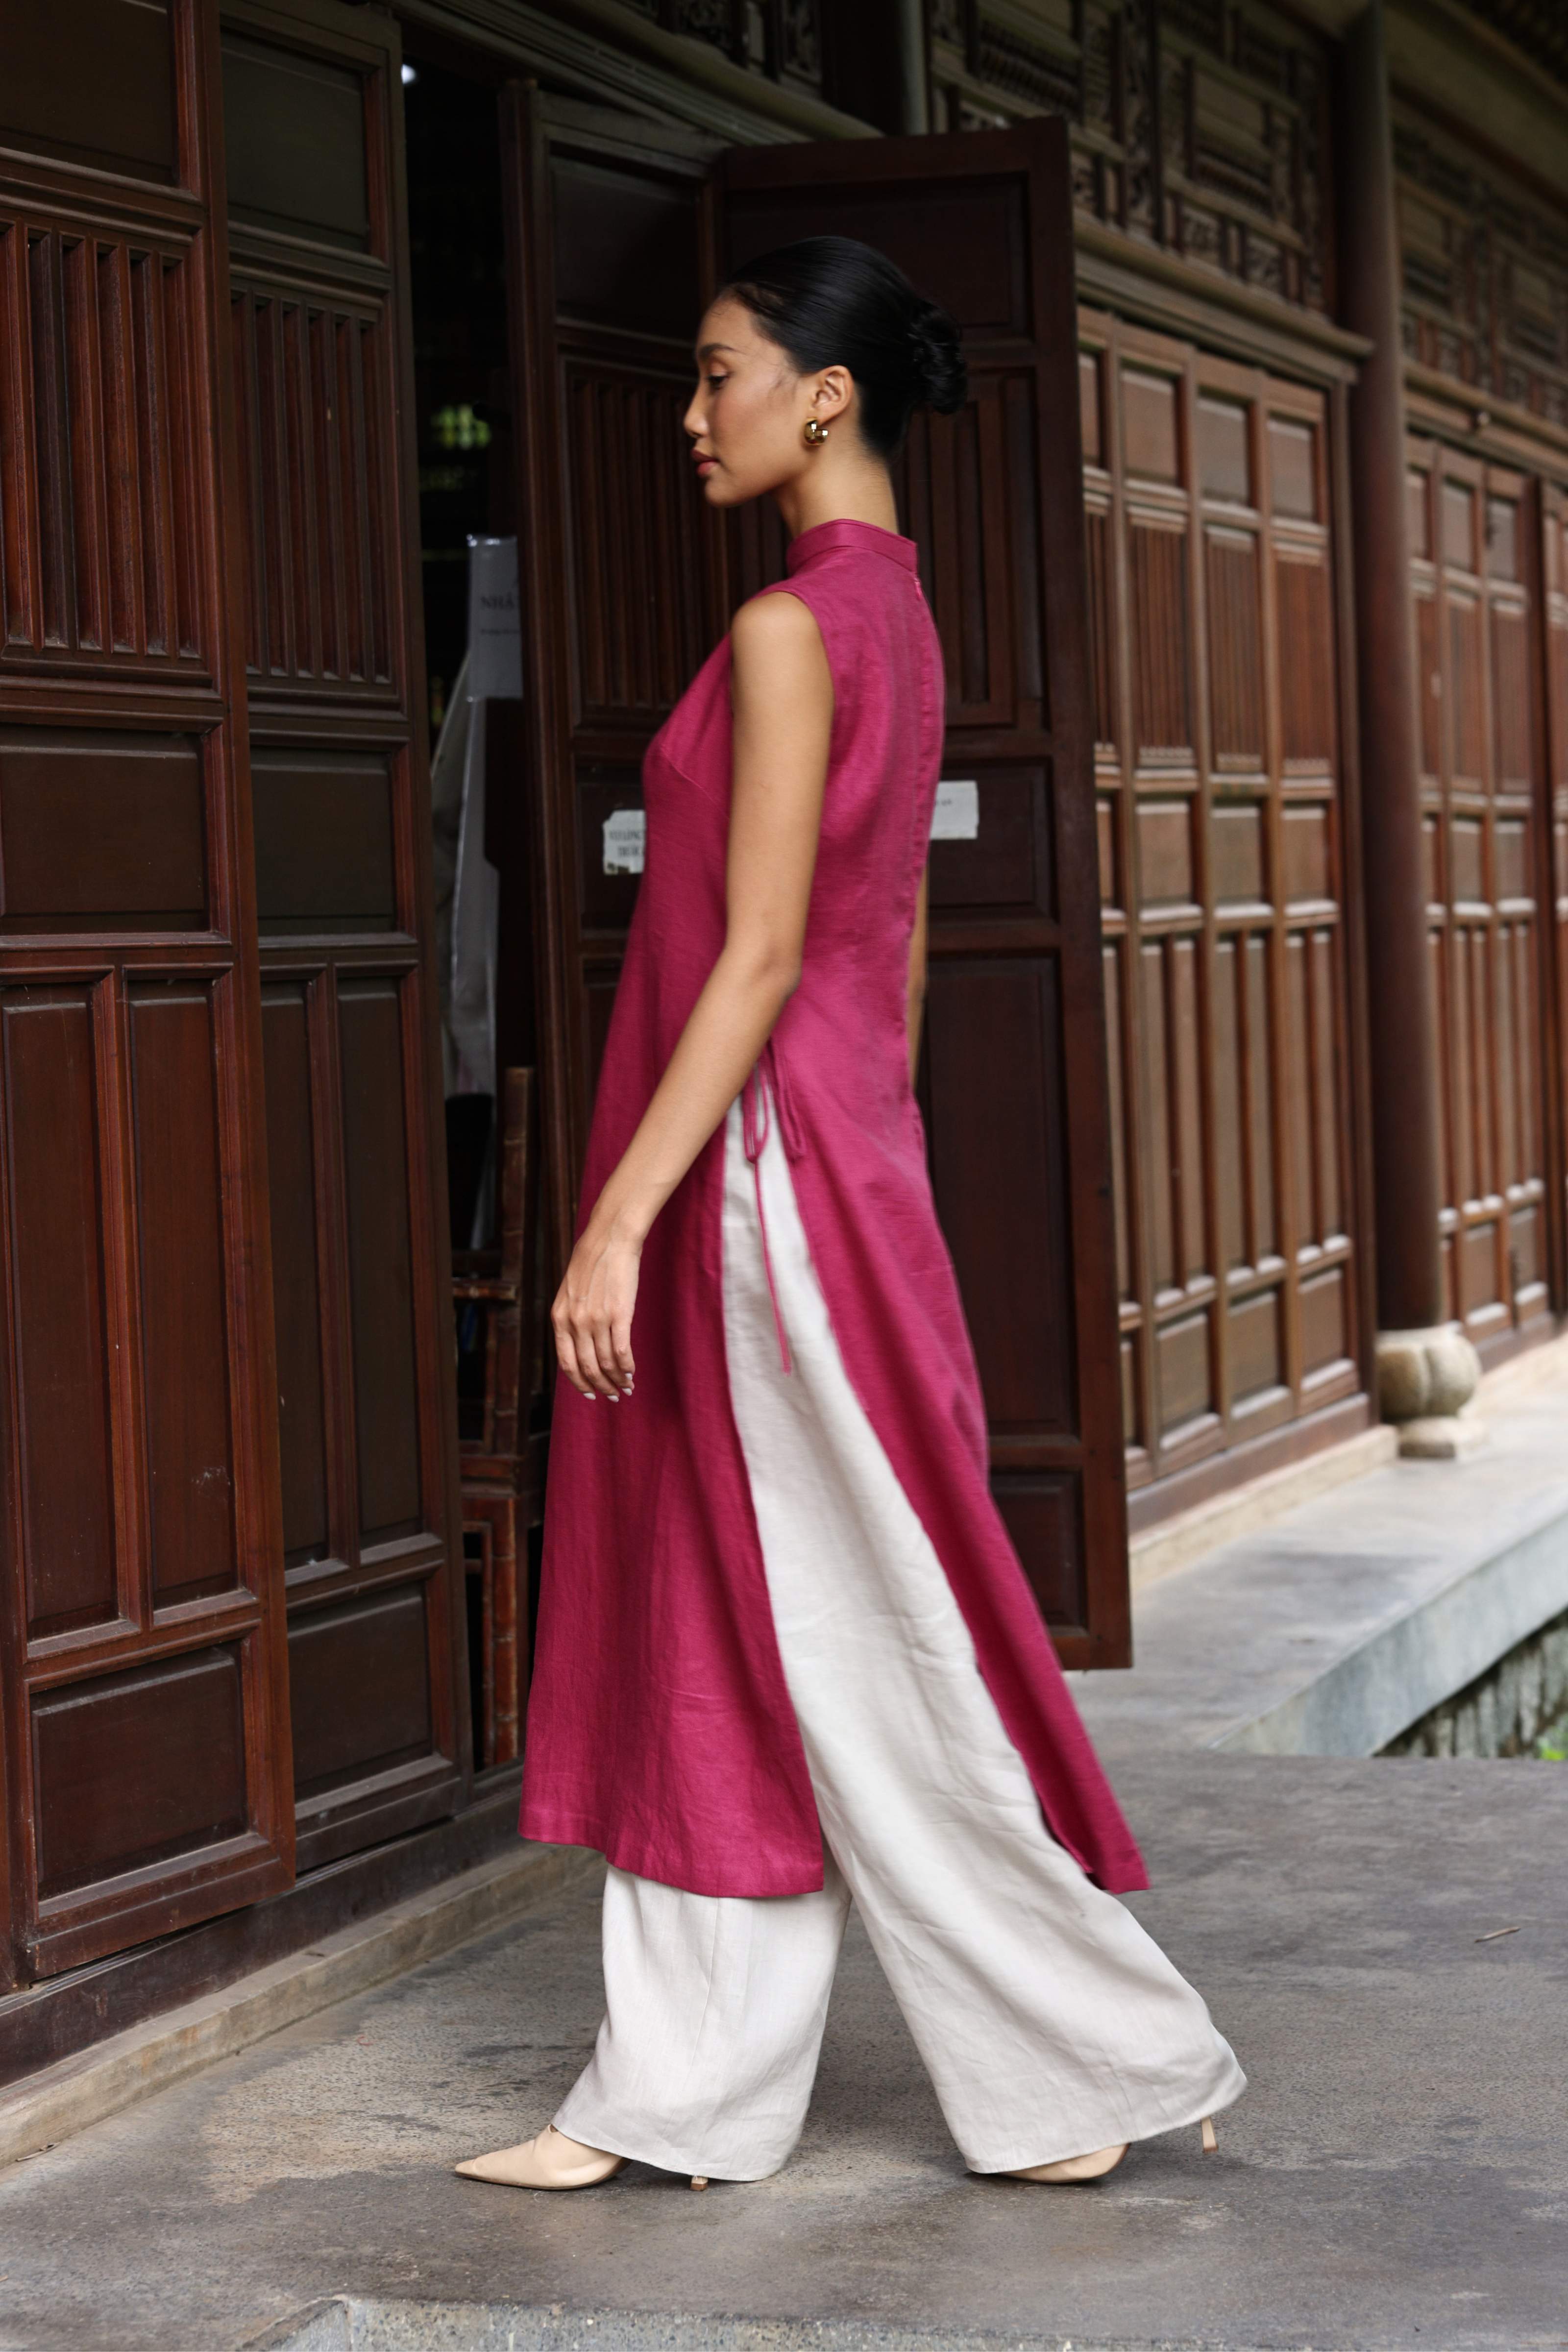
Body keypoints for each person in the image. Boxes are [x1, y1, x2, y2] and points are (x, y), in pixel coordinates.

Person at [457, 237, 1244, 2195]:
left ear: (824, 393)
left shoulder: (796, 631)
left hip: (754, 1180)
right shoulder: (893, 616)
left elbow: (760, 958)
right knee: (743, 1607)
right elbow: (874, 980)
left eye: (719, 372)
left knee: (848, 1622)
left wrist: (613, 1221)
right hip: (823, 1160)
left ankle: (1090, 2057)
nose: (691, 411)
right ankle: (683, 2092)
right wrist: (848, 1165)